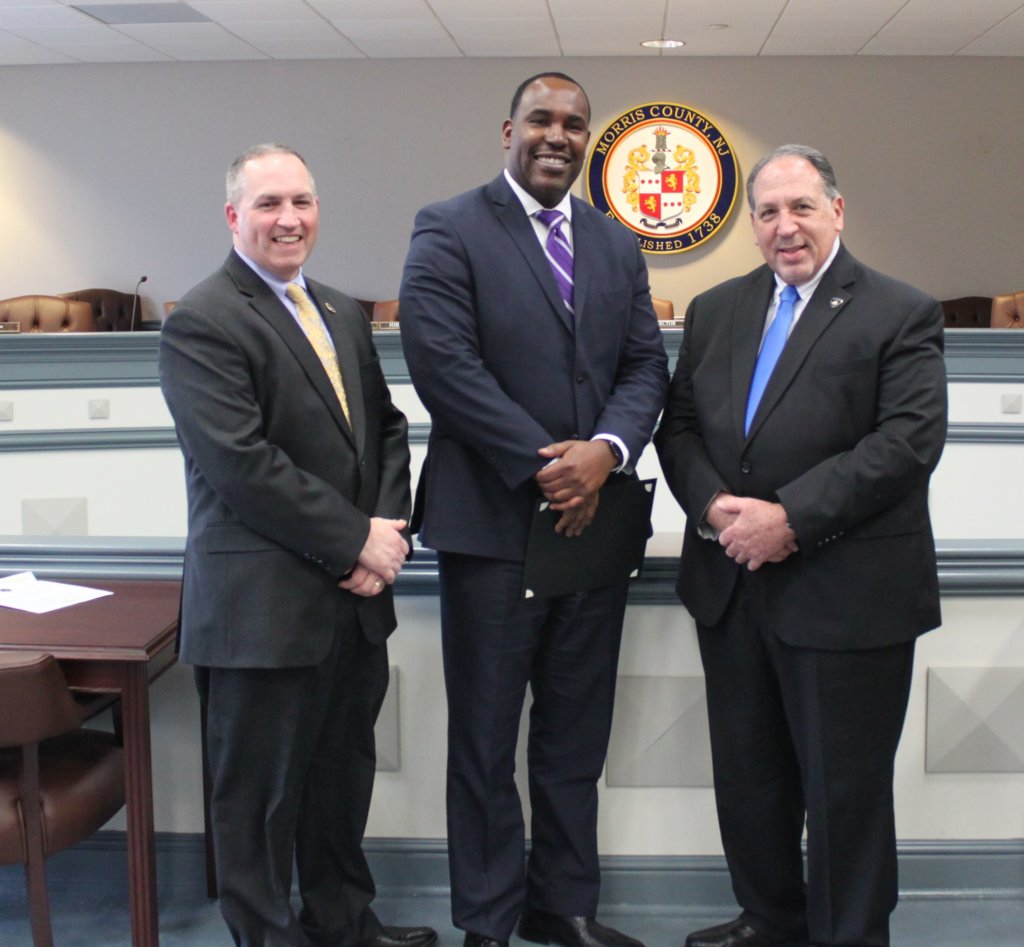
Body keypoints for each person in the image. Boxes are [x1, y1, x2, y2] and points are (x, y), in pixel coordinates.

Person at [655, 144, 948, 947]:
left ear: (838, 211)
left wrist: (788, 518)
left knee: (844, 791)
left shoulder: (900, 311)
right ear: (752, 224)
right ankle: (770, 919)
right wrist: (717, 509)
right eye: (769, 212)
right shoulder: (717, 310)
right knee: (750, 780)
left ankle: (848, 934)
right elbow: (677, 427)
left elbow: (908, 442)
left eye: (802, 208)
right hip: (731, 586)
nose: (786, 228)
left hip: (846, 594)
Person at [399, 73, 668, 947]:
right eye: (543, 120)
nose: (559, 135)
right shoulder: (448, 227)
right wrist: (550, 466)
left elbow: (643, 369)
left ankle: (565, 906)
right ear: (508, 128)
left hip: (595, 527)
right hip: (492, 525)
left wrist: (606, 454)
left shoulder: (615, 243)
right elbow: (443, 366)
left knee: (573, 731)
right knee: (483, 738)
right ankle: (486, 918)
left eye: (575, 125)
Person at [159, 143, 436, 947]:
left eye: (303, 202)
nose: (290, 219)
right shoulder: (203, 318)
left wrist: (384, 535)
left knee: (338, 784)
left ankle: (344, 921)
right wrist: (354, 541)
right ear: (233, 216)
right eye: (270, 203)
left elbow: (383, 428)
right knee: (257, 804)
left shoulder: (341, 310)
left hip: (352, 608)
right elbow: (242, 465)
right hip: (261, 613)